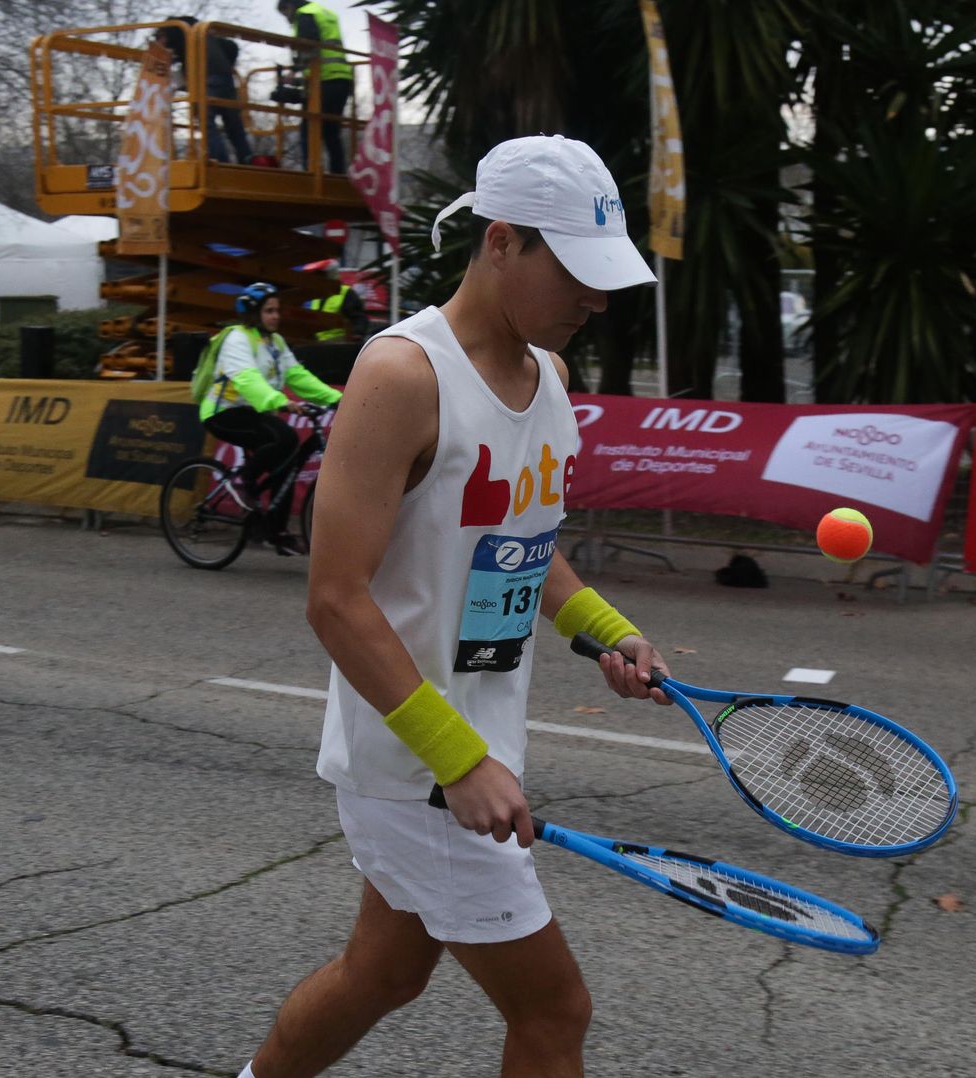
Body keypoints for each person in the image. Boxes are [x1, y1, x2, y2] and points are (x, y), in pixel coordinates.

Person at [233, 135, 663, 1078]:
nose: (596, 301)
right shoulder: (403, 375)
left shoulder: (550, 377)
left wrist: (608, 632)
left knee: (381, 975)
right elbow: (334, 598)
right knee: (554, 1012)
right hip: (420, 762)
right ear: (501, 241)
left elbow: (520, 545)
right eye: (576, 274)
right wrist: (457, 760)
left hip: (476, 747)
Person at [200, 282, 342, 554]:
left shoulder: (275, 342)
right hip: (224, 412)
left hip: (255, 411)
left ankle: (277, 532)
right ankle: (245, 483)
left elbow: (297, 376)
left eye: (277, 310)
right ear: (254, 314)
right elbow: (247, 379)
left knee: (287, 463)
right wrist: (281, 402)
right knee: (286, 438)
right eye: (269, 311)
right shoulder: (237, 338)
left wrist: (336, 398)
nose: (276, 316)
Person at [155, 16, 253, 164]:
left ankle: (220, 161)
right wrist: (227, 65)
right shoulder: (203, 33)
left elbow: (170, 52)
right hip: (226, 78)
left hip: (207, 78)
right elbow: (231, 46)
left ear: (164, 34)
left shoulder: (178, 31)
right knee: (234, 125)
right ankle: (247, 158)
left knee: (206, 123)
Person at [275, 0, 353, 173]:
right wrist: (298, 79)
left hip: (324, 80)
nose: (287, 20)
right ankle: (338, 175)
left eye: (285, 14)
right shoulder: (324, 12)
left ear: (289, 6)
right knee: (332, 132)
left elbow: (310, 47)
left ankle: (310, 174)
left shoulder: (305, 15)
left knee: (309, 130)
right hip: (341, 77)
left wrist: (294, 71)